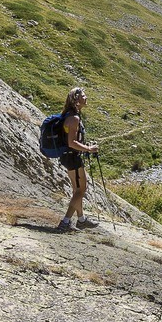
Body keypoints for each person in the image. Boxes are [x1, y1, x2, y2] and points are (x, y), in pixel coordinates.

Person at [56, 87, 100, 231]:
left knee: (77, 190)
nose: (86, 97)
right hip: (73, 157)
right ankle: (65, 222)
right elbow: (71, 142)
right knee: (81, 190)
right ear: (76, 100)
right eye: (83, 95)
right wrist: (88, 149)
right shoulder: (74, 118)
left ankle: (81, 220)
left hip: (67, 157)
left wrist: (84, 146)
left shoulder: (69, 115)